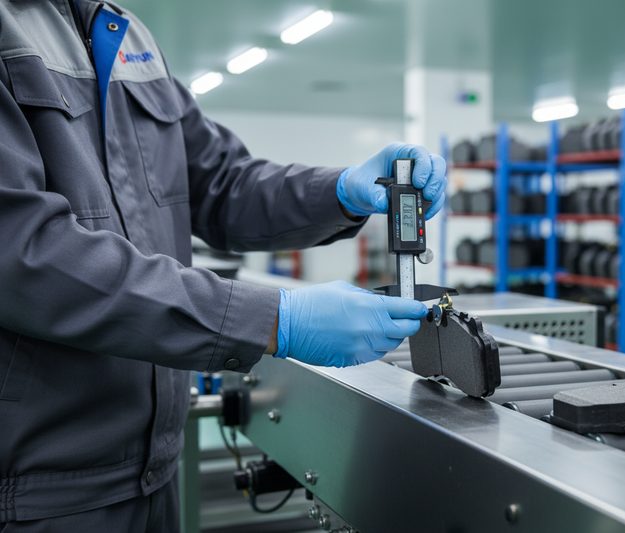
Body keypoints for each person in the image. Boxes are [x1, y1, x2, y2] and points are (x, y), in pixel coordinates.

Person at [0, 1, 446, 530]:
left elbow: (222, 183)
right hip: (32, 495)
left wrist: (342, 191)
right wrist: (273, 319)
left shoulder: (123, 31)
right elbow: (25, 252)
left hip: (154, 469)